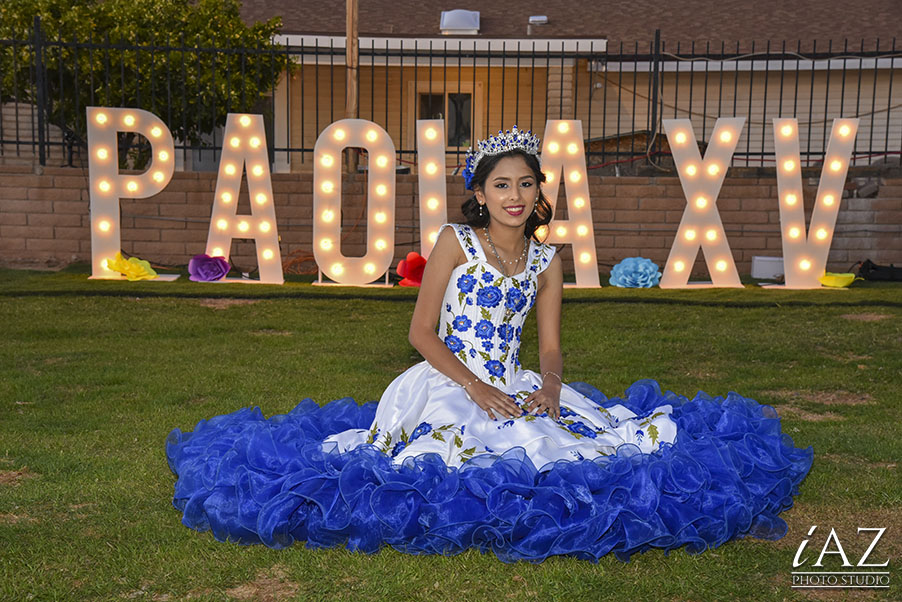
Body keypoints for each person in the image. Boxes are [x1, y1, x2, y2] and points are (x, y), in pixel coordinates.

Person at [166, 127, 813, 562]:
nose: (514, 196)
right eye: (501, 185)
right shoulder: (456, 242)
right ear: (479, 194)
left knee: (584, 447)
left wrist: (552, 386)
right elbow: (419, 332)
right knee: (448, 465)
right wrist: (476, 388)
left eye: (526, 185)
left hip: (515, 377)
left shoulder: (545, 261)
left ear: (539, 195)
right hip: (449, 379)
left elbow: (552, 346)